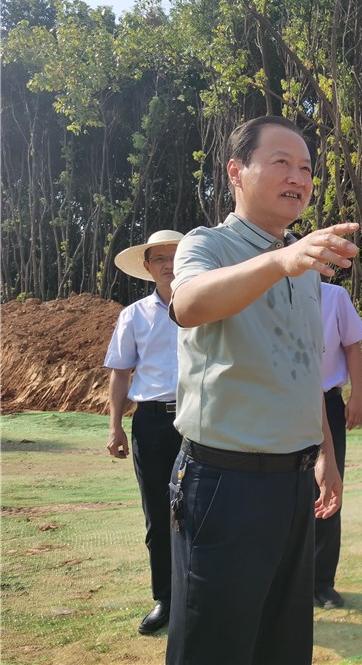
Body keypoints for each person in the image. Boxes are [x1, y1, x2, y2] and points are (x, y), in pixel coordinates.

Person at [166, 115, 359, 665]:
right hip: (224, 483)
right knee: (215, 646)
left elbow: (304, 371)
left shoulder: (304, 263)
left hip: (293, 483)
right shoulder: (210, 244)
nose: (297, 176)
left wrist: (325, 454)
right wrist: (279, 260)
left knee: (282, 642)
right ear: (236, 171)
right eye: (280, 162)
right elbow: (189, 304)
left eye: (305, 167)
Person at [104, 229, 184, 635]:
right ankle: (166, 599)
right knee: (158, 512)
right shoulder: (133, 315)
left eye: (176, 256)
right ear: (148, 267)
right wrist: (115, 426)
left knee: (206, 510)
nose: (169, 264)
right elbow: (120, 373)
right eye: (160, 259)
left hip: (201, 420)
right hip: (152, 423)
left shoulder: (212, 306)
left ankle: (202, 596)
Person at [314, 281, 362, 609]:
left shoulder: (334, 296)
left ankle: (322, 583)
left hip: (328, 402)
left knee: (329, 491)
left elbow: (352, 348)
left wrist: (357, 396)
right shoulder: (264, 292)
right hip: (278, 406)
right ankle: (286, 581)